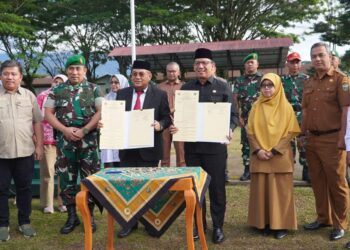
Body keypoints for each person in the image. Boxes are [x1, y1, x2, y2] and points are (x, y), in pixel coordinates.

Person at [171, 48, 239, 244]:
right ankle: (199, 224)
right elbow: (181, 117)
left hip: (216, 149)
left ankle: (218, 226)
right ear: (193, 67)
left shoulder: (224, 87)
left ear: (213, 66)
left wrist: (230, 128)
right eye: (197, 63)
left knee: (217, 189)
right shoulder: (186, 89)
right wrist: (177, 125)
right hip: (193, 148)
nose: (201, 66)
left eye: (205, 63)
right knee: (195, 189)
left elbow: (233, 115)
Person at [44, 54, 103, 234]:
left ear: (84, 70)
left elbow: (101, 111)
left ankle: (89, 216)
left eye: (78, 68)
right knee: (66, 179)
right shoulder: (56, 90)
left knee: (90, 179)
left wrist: (84, 130)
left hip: (89, 142)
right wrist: (65, 130)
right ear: (67, 71)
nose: (75, 72)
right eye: (71, 68)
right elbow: (48, 114)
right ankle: (72, 217)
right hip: (65, 142)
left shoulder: (94, 89)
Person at [114, 60, 171, 238]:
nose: (137, 77)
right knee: (128, 187)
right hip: (127, 149)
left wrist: (160, 125)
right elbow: (116, 118)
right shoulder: (122, 94)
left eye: (141, 74)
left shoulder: (159, 94)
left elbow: (167, 117)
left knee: (149, 186)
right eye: (134, 74)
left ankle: (149, 221)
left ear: (149, 76)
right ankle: (129, 223)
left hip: (150, 149)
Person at [302, 42, 350, 241]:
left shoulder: (341, 80)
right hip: (312, 139)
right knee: (318, 182)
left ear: (330, 57)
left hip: (332, 139)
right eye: (314, 56)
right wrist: (302, 134)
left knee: (337, 183)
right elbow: (304, 110)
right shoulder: (309, 82)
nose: (317, 59)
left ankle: (340, 224)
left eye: (321, 55)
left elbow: (347, 110)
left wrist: (342, 140)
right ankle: (323, 218)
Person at [247, 73, 300, 239]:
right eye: (264, 85)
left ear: (277, 87)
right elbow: (250, 131)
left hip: (280, 156)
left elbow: (291, 131)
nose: (267, 88)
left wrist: (274, 150)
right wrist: (258, 150)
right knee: (262, 190)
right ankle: (264, 223)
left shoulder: (286, 107)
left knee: (280, 192)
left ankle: (281, 225)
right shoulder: (256, 106)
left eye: (270, 85)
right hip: (260, 155)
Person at [0, 60, 43, 241]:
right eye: (6, 73)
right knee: (0, 190)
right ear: (1, 76)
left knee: (24, 189)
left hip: (25, 152)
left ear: (20, 77)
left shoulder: (29, 96)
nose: (10, 77)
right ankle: (2, 224)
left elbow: (37, 122)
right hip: (1, 154)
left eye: (13, 74)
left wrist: (39, 145)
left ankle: (24, 222)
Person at [37, 74, 68, 214]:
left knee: (63, 173)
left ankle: (62, 202)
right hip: (48, 139)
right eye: (56, 81)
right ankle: (48, 203)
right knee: (48, 172)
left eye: (61, 82)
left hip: (65, 139)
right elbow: (36, 119)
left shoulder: (68, 96)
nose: (57, 83)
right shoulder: (43, 96)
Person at [233, 53, 262, 181]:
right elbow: (236, 100)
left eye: (252, 62)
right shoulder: (239, 81)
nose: (250, 64)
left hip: (262, 119)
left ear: (257, 64)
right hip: (245, 119)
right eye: (248, 62)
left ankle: (260, 169)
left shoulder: (264, 79)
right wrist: (238, 116)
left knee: (262, 143)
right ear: (244, 65)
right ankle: (247, 170)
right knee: (246, 144)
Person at [281, 52, 310, 182]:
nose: (295, 65)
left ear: (300, 64)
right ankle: (288, 171)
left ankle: (306, 170)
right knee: (288, 146)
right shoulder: (281, 81)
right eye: (292, 62)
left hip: (303, 117)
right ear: (287, 64)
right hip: (287, 118)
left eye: (297, 62)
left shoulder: (307, 80)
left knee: (304, 145)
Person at [157, 62, 185, 167]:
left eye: (174, 71)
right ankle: (165, 177)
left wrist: (175, 109)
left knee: (181, 155)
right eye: (169, 71)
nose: (171, 73)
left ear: (179, 72)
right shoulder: (159, 87)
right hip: (164, 123)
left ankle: (181, 178)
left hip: (180, 124)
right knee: (164, 155)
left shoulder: (185, 86)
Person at [100, 74, 129, 168]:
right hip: (109, 137)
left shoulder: (130, 98)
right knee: (110, 166)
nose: (113, 85)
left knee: (123, 165)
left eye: (116, 82)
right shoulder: (106, 99)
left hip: (124, 136)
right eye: (111, 82)